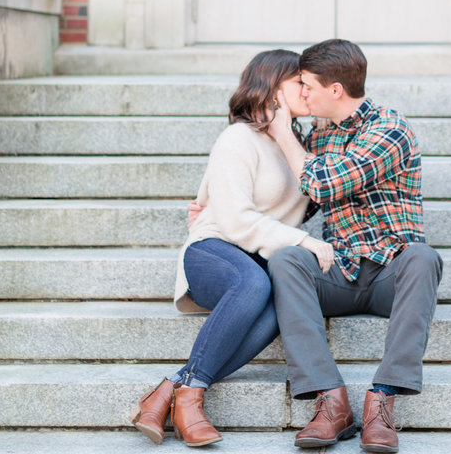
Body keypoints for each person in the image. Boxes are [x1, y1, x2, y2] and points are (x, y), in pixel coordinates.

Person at [128, 49, 334, 447]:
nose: (308, 93)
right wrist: (303, 240)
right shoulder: (237, 139)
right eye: (300, 85)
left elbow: (316, 193)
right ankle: (190, 398)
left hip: (256, 259)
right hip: (214, 251)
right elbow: (236, 219)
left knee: (282, 301)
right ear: (274, 89)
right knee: (255, 284)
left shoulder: (299, 145)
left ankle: (175, 388)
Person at [266, 39, 443, 454]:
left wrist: (283, 135)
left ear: (335, 90)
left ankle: (381, 399)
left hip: (390, 276)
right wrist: (220, 212)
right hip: (340, 272)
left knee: (423, 258)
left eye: (306, 85)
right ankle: (331, 402)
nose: (302, 93)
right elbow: (298, 205)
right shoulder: (319, 135)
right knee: (287, 259)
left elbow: (323, 183)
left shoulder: (388, 129)